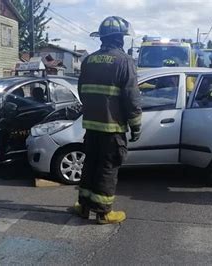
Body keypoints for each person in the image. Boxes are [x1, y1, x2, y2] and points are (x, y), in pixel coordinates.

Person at [71, 16, 142, 224]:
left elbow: (82, 91)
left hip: (91, 126)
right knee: (107, 168)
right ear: (121, 38)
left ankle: (83, 207)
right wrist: (136, 125)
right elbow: (132, 96)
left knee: (90, 165)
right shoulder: (124, 61)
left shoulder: (89, 60)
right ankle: (103, 212)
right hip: (112, 128)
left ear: (102, 38)